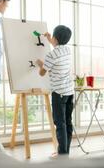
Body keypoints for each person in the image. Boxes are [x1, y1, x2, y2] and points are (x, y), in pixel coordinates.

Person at [35, 25, 74, 157]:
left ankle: (62, 154)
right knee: (68, 122)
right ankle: (65, 151)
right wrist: (49, 39)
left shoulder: (51, 55)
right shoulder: (67, 51)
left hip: (58, 93)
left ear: (56, 38)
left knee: (60, 123)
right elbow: (57, 48)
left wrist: (41, 64)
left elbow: (42, 73)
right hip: (69, 92)